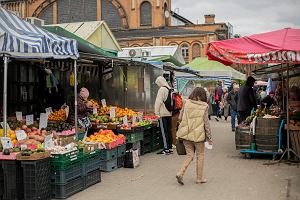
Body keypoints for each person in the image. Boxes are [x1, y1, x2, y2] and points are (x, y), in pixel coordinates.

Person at [176, 87, 213, 185]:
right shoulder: (204, 106)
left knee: (190, 155)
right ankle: (199, 178)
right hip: (198, 136)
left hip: (186, 135)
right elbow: (206, 123)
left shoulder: (186, 103)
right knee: (200, 155)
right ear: (203, 96)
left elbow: (180, 118)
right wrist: (209, 137)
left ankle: (180, 173)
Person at [154, 76, 173, 155]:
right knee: (168, 131)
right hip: (169, 113)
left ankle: (166, 149)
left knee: (164, 132)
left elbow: (158, 102)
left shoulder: (162, 89)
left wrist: (156, 112)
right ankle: (170, 147)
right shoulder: (169, 89)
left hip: (163, 114)